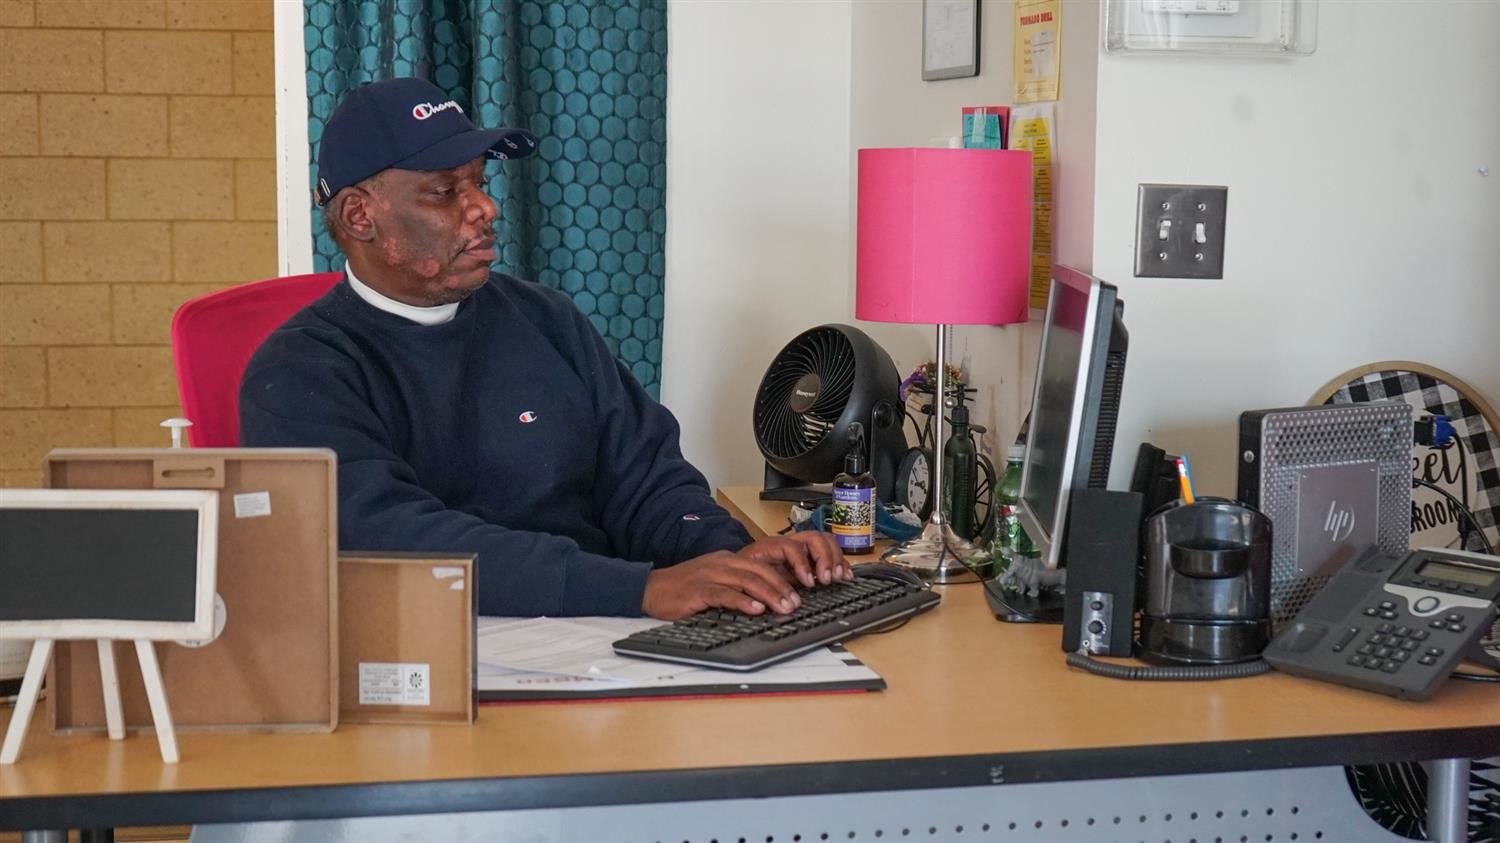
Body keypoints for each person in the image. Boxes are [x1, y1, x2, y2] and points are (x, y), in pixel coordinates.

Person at [240, 77, 847, 621]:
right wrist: (637, 590)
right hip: (435, 650)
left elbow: (645, 478)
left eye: (478, 182)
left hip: (606, 633)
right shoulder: (298, 370)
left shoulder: (546, 318)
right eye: (444, 191)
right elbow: (386, 536)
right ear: (359, 216)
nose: (485, 207)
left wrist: (730, 556)